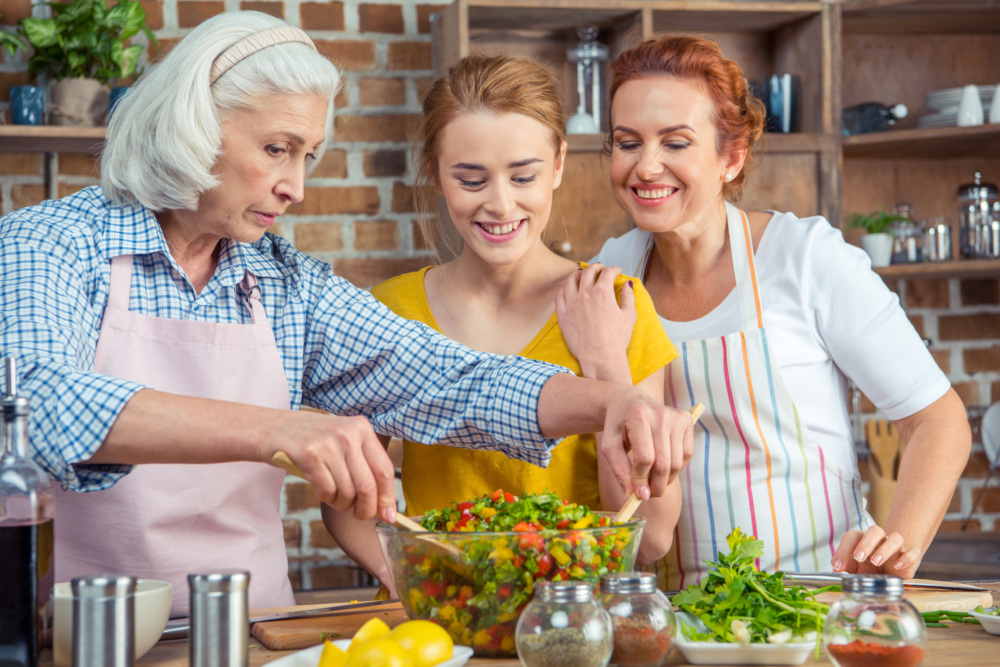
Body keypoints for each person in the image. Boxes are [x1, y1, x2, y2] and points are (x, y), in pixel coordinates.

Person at [0, 12, 696, 617]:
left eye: (309, 156)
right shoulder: (52, 243)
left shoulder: (284, 281)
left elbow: (449, 378)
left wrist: (608, 401)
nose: (296, 187)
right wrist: (279, 427)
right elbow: (35, 401)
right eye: (276, 149)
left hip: (253, 627)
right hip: (82, 630)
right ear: (192, 125)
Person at [562, 35, 971, 589]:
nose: (646, 166)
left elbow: (937, 419)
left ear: (731, 157)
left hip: (818, 603)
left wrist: (896, 551)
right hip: (677, 617)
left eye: (676, 143)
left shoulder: (805, 259)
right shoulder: (612, 273)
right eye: (627, 142)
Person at [322, 55, 688, 585]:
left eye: (523, 176)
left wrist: (607, 367)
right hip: (451, 618)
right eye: (471, 180)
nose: (500, 204)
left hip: (574, 619)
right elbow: (344, 495)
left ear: (558, 164)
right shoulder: (389, 311)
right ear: (435, 173)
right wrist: (413, 581)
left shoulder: (616, 304)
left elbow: (650, 538)